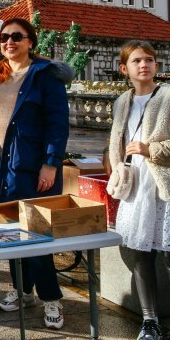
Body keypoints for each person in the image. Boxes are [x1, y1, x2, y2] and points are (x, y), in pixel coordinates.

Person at [0, 17, 72, 330]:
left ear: (30, 42)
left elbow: (58, 124)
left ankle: (51, 298)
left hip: (29, 166)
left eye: (17, 36)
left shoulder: (44, 76)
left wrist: (51, 163)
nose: (9, 42)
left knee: (37, 233)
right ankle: (23, 290)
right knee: (8, 231)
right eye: (4, 38)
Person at [108, 41, 170, 340]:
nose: (144, 64)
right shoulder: (121, 102)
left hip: (164, 184)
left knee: (168, 253)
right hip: (136, 186)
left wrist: (151, 149)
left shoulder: (169, 96)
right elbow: (115, 144)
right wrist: (118, 167)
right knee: (141, 253)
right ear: (125, 69)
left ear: (156, 66)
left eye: (149, 60)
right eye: (136, 61)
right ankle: (150, 321)